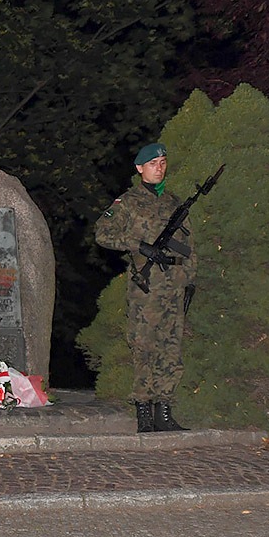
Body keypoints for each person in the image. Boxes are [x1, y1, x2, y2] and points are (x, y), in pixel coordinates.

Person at [95, 142, 194, 433]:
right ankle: (144, 412)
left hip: (173, 286)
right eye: (152, 164)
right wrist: (139, 246)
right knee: (145, 347)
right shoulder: (127, 202)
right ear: (140, 168)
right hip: (146, 287)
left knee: (171, 349)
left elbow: (189, 246)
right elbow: (103, 233)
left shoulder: (175, 203)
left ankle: (164, 412)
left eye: (163, 163)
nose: (159, 169)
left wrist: (189, 279)